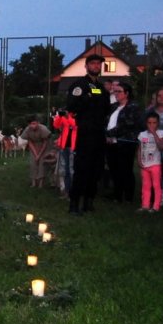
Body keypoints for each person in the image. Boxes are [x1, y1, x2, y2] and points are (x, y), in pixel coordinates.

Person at [66, 54, 111, 214]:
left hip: (99, 133)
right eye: (93, 63)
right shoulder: (79, 85)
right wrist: (86, 99)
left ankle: (89, 201)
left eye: (98, 64)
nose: (96, 66)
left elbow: (106, 108)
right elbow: (71, 106)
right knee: (82, 169)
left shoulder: (101, 87)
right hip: (85, 133)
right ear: (86, 66)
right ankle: (74, 203)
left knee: (96, 168)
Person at [105, 81, 143, 204]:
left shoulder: (133, 107)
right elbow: (106, 121)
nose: (116, 94)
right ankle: (117, 194)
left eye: (119, 91)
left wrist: (109, 134)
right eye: (115, 91)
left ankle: (128, 195)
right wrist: (106, 134)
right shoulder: (114, 106)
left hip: (125, 142)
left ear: (126, 93)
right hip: (111, 143)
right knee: (114, 168)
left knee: (125, 169)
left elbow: (127, 124)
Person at [137, 113, 163, 213]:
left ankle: (156, 206)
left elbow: (161, 146)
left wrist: (154, 134)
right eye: (149, 123)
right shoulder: (142, 134)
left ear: (158, 123)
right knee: (146, 185)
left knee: (156, 185)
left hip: (155, 164)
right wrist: (139, 160)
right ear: (146, 123)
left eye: (154, 123)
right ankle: (145, 205)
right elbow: (140, 148)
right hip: (144, 164)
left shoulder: (161, 133)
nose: (151, 125)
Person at [20, 115, 51, 188]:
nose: (32, 125)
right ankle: (33, 182)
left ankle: (41, 183)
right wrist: (35, 154)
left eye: (34, 123)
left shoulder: (43, 129)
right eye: (31, 124)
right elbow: (30, 142)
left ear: (37, 123)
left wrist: (39, 155)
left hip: (44, 146)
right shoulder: (27, 130)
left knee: (42, 163)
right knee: (33, 163)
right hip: (34, 146)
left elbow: (45, 142)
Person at [52, 108, 77, 195]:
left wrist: (68, 117)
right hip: (64, 146)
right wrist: (59, 116)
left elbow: (75, 125)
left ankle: (73, 191)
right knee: (64, 169)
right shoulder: (64, 117)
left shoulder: (76, 117)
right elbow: (56, 125)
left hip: (73, 147)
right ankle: (66, 190)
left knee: (71, 170)